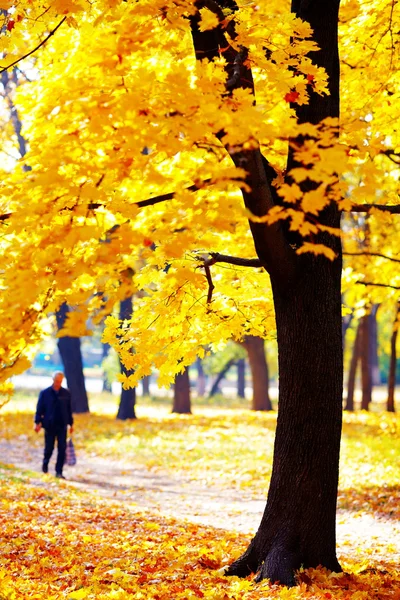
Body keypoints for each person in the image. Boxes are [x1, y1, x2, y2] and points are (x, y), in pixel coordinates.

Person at [34, 371, 74, 479]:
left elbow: (69, 410)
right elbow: (39, 409)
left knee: (62, 448)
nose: (58, 383)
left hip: (62, 425)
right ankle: (45, 464)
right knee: (49, 448)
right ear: (53, 380)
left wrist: (71, 424)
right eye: (57, 381)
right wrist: (37, 423)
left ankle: (59, 471)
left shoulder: (66, 393)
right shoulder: (45, 393)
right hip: (49, 425)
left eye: (60, 381)